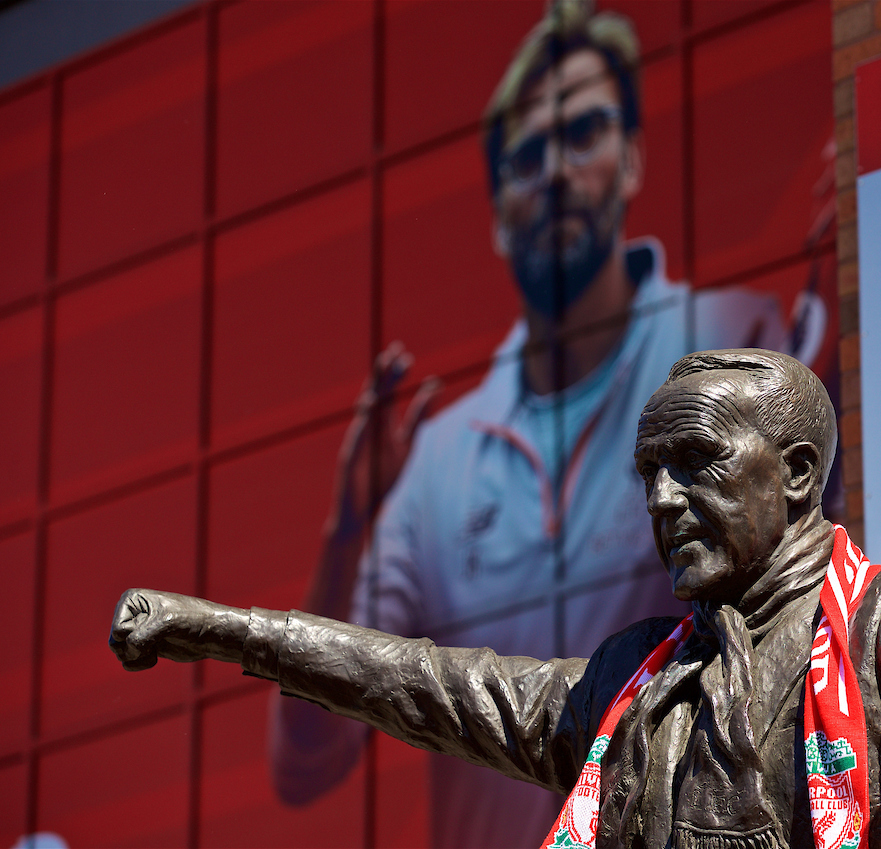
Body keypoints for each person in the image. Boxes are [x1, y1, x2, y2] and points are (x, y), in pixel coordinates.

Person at [112, 331, 881, 848]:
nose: (663, 499)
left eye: (695, 464)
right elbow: (426, 684)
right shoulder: (630, 687)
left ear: (799, 474)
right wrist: (229, 629)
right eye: (650, 473)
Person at [271, 2, 821, 844]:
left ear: (632, 158)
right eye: (527, 155)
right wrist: (346, 533)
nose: (557, 171)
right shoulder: (435, 463)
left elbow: (813, 598)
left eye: (585, 133)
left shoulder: (742, 336)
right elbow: (306, 764)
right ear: (495, 209)